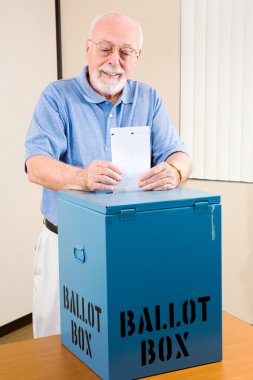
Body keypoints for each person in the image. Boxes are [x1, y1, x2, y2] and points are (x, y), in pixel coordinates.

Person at [25, 13, 192, 338]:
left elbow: (180, 155)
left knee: (125, 339)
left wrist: (174, 171)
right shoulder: (57, 97)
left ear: (137, 58)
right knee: (55, 342)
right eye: (105, 49)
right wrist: (82, 177)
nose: (114, 61)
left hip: (131, 244)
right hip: (67, 242)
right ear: (88, 48)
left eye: (126, 52)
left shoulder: (148, 98)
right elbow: (36, 165)